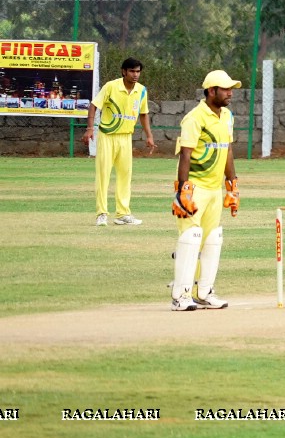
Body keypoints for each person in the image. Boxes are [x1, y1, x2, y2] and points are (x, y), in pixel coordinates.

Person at [169, 70, 241, 311]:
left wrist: (232, 184)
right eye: (225, 89)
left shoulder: (227, 116)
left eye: (231, 88)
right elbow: (186, 154)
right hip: (196, 187)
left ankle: (205, 292)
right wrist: (183, 190)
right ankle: (180, 296)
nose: (230, 93)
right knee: (191, 238)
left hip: (215, 190)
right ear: (212, 91)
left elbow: (227, 150)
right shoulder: (194, 118)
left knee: (213, 240)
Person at [85, 57, 156, 226]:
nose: (135, 74)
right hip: (107, 135)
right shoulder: (111, 86)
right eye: (132, 71)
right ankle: (102, 213)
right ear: (124, 71)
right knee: (103, 175)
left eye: (138, 71)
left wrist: (149, 136)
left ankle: (122, 214)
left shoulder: (141, 91)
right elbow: (94, 105)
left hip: (126, 137)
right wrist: (89, 129)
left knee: (125, 175)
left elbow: (143, 114)